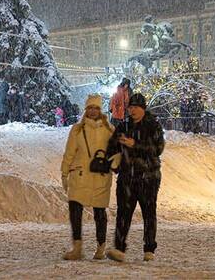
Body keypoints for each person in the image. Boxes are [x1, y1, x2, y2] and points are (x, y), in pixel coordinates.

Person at [105, 93, 165, 262]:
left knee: (149, 212)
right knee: (123, 213)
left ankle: (149, 248)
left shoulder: (153, 125)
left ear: (143, 108)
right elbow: (112, 146)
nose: (132, 111)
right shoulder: (123, 126)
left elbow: (158, 149)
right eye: (130, 108)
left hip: (148, 177)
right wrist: (114, 158)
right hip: (127, 177)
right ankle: (119, 247)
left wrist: (135, 145)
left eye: (136, 108)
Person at [60, 94, 117, 260]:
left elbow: (116, 152)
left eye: (96, 108)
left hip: (100, 176)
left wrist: (114, 164)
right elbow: (69, 152)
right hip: (80, 174)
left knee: (100, 212)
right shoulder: (77, 129)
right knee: (75, 210)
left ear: (101, 110)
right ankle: (77, 247)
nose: (93, 111)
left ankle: (101, 246)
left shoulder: (109, 130)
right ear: (86, 110)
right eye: (90, 108)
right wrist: (64, 172)